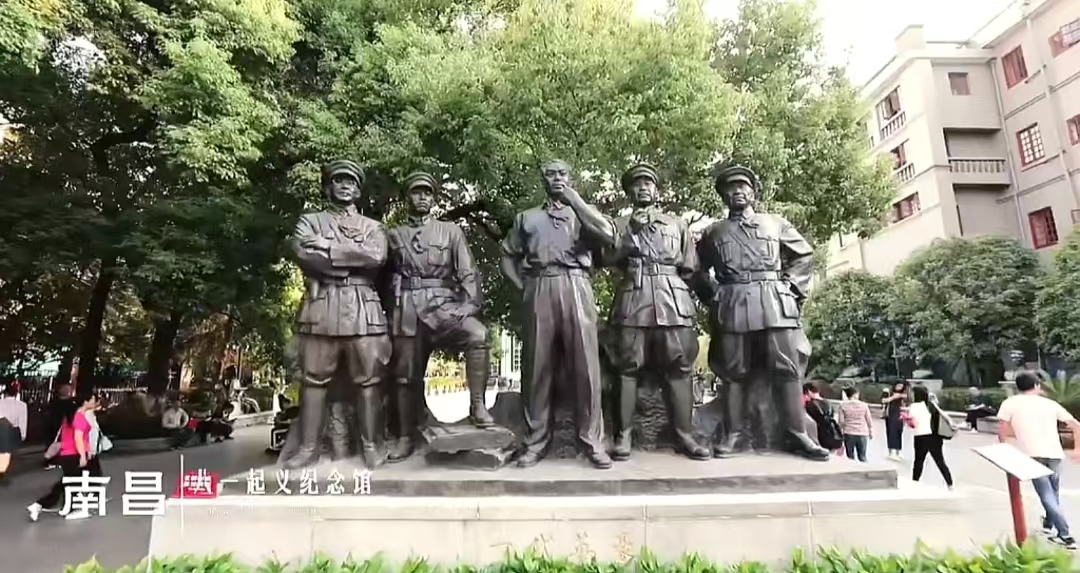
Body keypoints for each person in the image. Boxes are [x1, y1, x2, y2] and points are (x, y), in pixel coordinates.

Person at [695, 165, 827, 461]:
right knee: (733, 372)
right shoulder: (714, 232)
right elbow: (696, 269)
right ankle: (732, 434)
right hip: (733, 302)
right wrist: (714, 296)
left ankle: (798, 433)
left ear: (753, 192)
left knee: (787, 369)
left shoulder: (775, 223)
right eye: (730, 189)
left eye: (743, 186)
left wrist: (790, 289)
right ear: (723, 197)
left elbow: (803, 255)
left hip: (773, 301)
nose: (737, 192)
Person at [501, 159, 615, 469]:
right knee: (537, 366)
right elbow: (507, 256)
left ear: (571, 178)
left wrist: (575, 200)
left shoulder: (585, 214)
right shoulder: (527, 218)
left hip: (577, 284)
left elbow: (609, 235)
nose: (556, 178)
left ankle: (592, 440)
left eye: (562, 173)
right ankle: (535, 441)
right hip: (539, 285)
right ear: (543, 180)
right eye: (550, 174)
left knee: (586, 366)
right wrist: (522, 287)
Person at [283, 159, 392, 469]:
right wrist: (349, 258)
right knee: (313, 379)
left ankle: (371, 445)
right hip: (322, 308)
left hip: (362, 309)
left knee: (369, 380)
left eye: (351, 182)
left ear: (358, 190)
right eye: (339, 180)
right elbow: (305, 254)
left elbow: (376, 257)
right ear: (328, 186)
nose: (345, 186)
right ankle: (308, 447)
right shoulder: (310, 222)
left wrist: (328, 247)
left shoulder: (373, 227)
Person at [386, 172, 494, 462]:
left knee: (477, 334)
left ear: (433, 199)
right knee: (405, 374)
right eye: (416, 192)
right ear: (406, 198)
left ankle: (477, 406)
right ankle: (405, 436)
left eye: (427, 193)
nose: (422, 197)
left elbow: (468, 272)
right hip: (407, 308)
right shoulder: (393, 236)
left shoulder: (450, 231)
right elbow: (382, 278)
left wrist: (469, 306)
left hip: (443, 306)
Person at [605, 164, 709, 461]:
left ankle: (684, 435)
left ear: (657, 190)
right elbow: (607, 258)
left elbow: (690, 266)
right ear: (629, 192)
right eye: (637, 183)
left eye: (648, 183)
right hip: (633, 298)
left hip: (672, 300)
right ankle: (623, 435)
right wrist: (631, 234)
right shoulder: (619, 224)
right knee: (627, 367)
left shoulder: (677, 224)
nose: (643, 188)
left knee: (679, 367)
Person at [997, 370, 1080, 550]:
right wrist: (1077, 448)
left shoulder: (1009, 404)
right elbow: (1076, 425)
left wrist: (1005, 449)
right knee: (1052, 493)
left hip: (1032, 455)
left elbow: (1002, 431)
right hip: (1055, 454)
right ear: (1036, 385)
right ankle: (1049, 524)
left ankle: (1065, 536)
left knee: (1047, 495)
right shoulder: (1049, 404)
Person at [27, 393, 99, 521]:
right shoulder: (78, 417)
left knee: (67, 483)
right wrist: (83, 455)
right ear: (85, 401)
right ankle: (48, 505)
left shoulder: (72, 416)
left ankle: (41, 505)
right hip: (73, 454)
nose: (95, 401)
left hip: (68, 454)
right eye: (93, 399)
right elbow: (78, 438)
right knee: (71, 484)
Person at [909, 385, 954, 490]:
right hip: (935, 437)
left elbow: (914, 423)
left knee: (919, 461)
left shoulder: (914, 406)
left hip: (920, 436)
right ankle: (950, 484)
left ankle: (914, 482)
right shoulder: (932, 405)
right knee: (940, 461)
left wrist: (907, 420)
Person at [0, 383, 28, 485]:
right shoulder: (22, 405)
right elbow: (22, 421)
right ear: (16, 394)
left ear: (4, 393)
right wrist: (23, 435)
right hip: (11, 432)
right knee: (5, 455)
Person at [803, 383, 843, 454]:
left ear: (808, 391)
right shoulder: (828, 403)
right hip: (832, 432)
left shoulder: (810, 404)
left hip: (819, 434)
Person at [837, 387, 873, 462]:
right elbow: (869, 419)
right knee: (862, 456)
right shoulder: (864, 405)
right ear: (856, 394)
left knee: (850, 457)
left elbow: (841, 421)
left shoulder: (843, 405)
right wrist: (870, 431)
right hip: (862, 433)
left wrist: (840, 432)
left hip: (849, 433)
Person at [882, 382, 907, 460]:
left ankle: (898, 451)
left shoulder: (904, 393)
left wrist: (901, 396)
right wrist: (894, 397)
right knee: (891, 432)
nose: (899, 387)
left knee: (899, 431)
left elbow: (908, 400)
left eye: (901, 386)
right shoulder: (888, 391)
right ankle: (891, 451)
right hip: (890, 414)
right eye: (898, 385)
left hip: (900, 414)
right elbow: (883, 400)